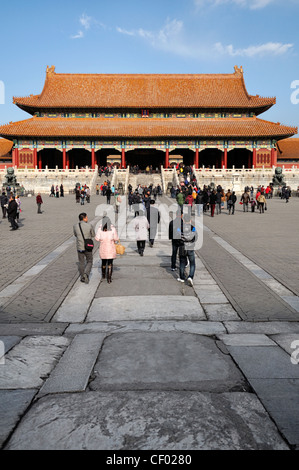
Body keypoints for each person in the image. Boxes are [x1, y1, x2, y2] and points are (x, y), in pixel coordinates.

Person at [95, 216, 118, 283]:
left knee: (104, 262)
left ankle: (103, 275)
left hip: (103, 248)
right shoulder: (113, 229)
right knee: (110, 263)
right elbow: (116, 238)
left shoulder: (100, 229)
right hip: (110, 248)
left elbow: (97, 238)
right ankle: (109, 278)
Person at [73, 212, 95, 284]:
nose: (87, 218)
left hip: (80, 246)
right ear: (84, 218)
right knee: (89, 261)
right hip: (88, 246)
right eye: (87, 217)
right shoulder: (89, 225)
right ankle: (86, 274)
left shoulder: (75, 226)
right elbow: (93, 235)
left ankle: (82, 277)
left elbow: (75, 234)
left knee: (81, 262)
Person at [177, 213, 197, 286]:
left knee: (182, 262)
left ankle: (182, 277)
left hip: (182, 247)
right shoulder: (193, 228)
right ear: (190, 220)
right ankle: (190, 277)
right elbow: (196, 237)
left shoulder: (179, 228)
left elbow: (177, 236)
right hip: (190, 247)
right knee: (192, 263)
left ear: (183, 220)